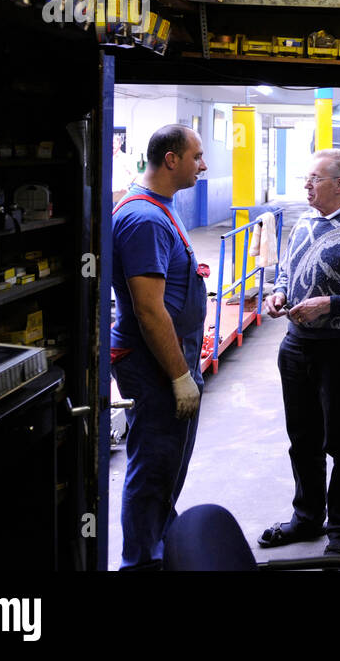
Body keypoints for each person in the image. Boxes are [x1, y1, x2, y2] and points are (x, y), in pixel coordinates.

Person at [110, 124, 208, 570]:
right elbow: (149, 311)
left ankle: (161, 551)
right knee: (152, 468)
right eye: (196, 157)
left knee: (168, 465)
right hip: (154, 366)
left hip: (173, 358)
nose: (202, 166)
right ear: (171, 160)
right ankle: (141, 563)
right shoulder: (144, 218)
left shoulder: (161, 208)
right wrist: (179, 377)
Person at [260, 148, 340, 553]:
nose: (306, 186)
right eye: (307, 179)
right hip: (297, 346)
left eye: (314, 179)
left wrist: (330, 305)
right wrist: (279, 292)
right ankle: (307, 518)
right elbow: (286, 268)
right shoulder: (303, 222)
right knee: (303, 438)